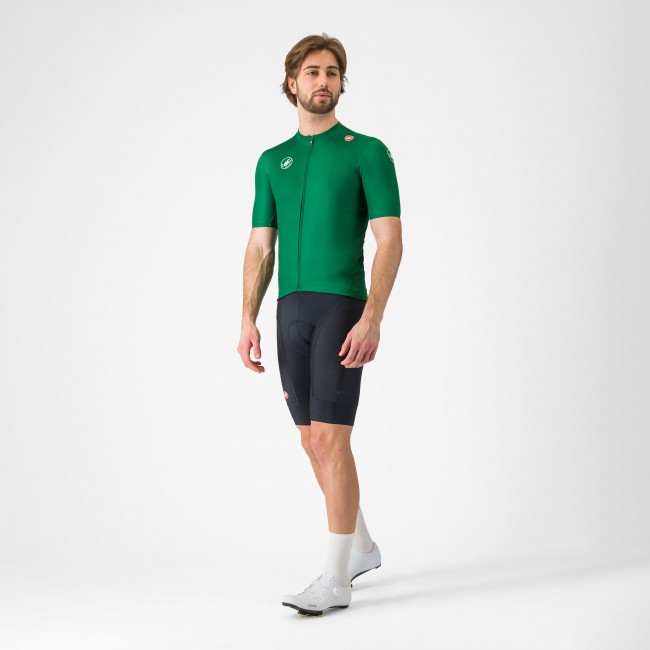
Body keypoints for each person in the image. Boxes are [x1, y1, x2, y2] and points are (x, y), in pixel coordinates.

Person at [237, 33, 403, 616]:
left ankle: (335, 580)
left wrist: (372, 316)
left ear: (341, 83)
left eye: (332, 72)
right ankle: (361, 547)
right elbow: (261, 247)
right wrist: (246, 318)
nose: (323, 81)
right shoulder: (271, 161)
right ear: (292, 83)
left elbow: (390, 240)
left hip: (340, 307)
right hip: (290, 312)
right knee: (312, 442)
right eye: (312, 72)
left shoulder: (367, 151)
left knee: (332, 440)